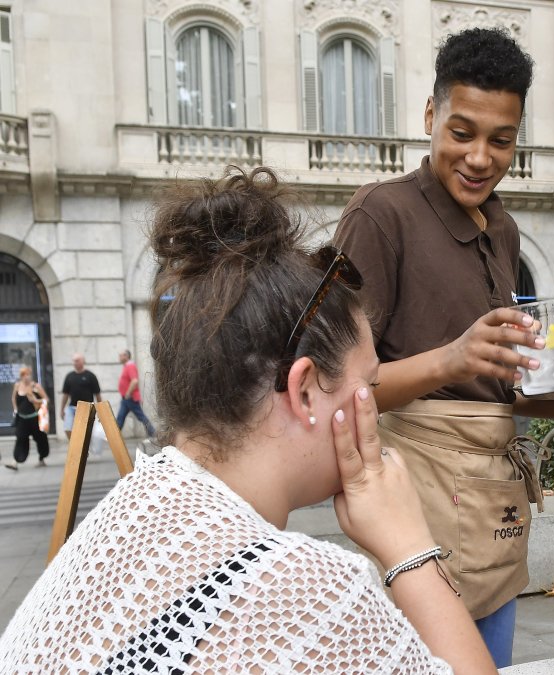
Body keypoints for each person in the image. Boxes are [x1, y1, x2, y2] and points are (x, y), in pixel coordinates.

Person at [0, 167, 496, 674]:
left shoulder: (124, 513)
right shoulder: (312, 597)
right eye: (368, 384)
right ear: (305, 391)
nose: (373, 402)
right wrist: (408, 546)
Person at [334, 27, 554, 667]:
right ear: (430, 115)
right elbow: (335, 391)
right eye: (462, 132)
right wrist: (453, 357)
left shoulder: (502, 228)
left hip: (491, 510)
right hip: (421, 508)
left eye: (501, 140)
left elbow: (493, 383)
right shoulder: (380, 216)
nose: (480, 158)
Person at [7, 366, 50, 469]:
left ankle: (42, 459)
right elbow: (13, 398)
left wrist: (35, 400)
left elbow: (46, 400)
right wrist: (15, 409)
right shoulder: (17, 385)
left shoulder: (36, 386)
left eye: (28, 375)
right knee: (20, 438)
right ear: (21, 376)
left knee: (40, 439)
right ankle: (15, 461)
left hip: (35, 418)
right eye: (24, 375)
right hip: (22, 418)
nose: (26, 377)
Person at [116, 348, 157, 439]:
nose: (119, 357)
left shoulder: (130, 366)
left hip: (130, 397)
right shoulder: (127, 366)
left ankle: (153, 433)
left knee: (140, 416)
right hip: (126, 398)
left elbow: (134, 381)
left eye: (121, 355)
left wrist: (128, 393)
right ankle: (114, 436)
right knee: (120, 417)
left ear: (126, 356)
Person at [59, 352, 102, 436]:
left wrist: (100, 410)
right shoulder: (69, 376)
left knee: (86, 432)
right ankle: (74, 443)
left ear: (83, 361)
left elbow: (97, 394)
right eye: (73, 361)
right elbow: (65, 395)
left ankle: (83, 444)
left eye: (77, 360)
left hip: (87, 407)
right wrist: (62, 409)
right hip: (72, 407)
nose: (75, 363)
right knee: (67, 428)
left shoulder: (90, 376)